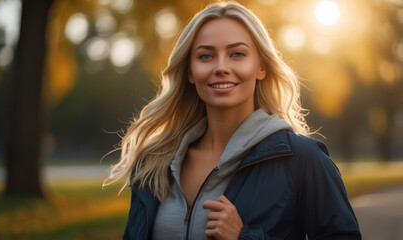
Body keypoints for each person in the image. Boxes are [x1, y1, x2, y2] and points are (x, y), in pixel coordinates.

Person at [104, 1, 361, 239]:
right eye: (205, 56)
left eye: (237, 54)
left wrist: (243, 237)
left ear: (261, 67)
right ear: (191, 72)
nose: (221, 67)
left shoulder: (303, 160)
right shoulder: (154, 164)